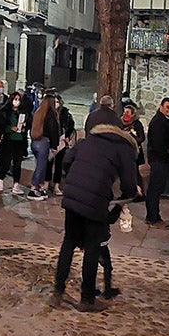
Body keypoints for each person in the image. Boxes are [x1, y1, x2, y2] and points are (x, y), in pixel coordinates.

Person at [52, 119, 138, 312]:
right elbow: (129, 184)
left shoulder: (88, 140)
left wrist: (76, 177)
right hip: (95, 198)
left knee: (69, 240)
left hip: (73, 194)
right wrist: (130, 193)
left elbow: (67, 160)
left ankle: (58, 290)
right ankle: (87, 298)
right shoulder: (124, 149)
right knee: (92, 247)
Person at [145, 97, 169, 228]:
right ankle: (153, 218)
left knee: (156, 189)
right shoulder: (159, 122)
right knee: (155, 189)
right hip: (160, 161)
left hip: (162, 160)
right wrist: (168, 156)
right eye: (168, 107)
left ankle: (152, 216)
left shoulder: (164, 120)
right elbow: (159, 145)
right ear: (161, 107)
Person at [27, 92, 59, 201]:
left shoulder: (38, 112)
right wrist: (55, 146)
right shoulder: (51, 115)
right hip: (44, 142)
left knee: (42, 165)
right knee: (41, 167)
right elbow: (53, 130)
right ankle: (33, 188)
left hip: (35, 142)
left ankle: (40, 187)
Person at [0, 91, 31, 195]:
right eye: (15, 99)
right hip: (8, 140)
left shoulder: (23, 111)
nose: (16, 101)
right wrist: (9, 128)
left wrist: (25, 127)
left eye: (18, 99)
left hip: (20, 140)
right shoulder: (5, 111)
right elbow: (1, 125)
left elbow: (29, 123)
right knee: (6, 162)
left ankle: (16, 184)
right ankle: (1, 181)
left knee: (17, 163)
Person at [49, 95, 76, 196]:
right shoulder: (49, 113)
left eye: (57, 101)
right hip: (51, 141)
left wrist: (68, 137)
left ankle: (57, 185)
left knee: (59, 164)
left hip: (62, 141)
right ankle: (46, 183)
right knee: (49, 163)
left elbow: (70, 127)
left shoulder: (66, 114)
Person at [120, 103, 147, 202]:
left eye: (127, 112)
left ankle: (139, 193)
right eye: (124, 112)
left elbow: (141, 138)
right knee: (124, 173)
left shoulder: (137, 124)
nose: (125, 114)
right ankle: (126, 192)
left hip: (134, 152)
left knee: (135, 173)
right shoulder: (120, 123)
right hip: (123, 152)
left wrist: (131, 135)